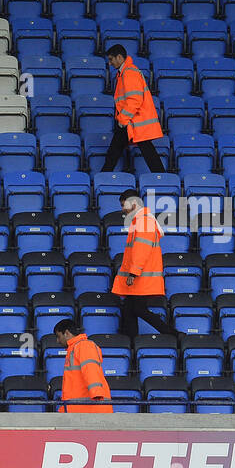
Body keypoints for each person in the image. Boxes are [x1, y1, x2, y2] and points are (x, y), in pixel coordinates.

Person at [112, 190, 180, 338]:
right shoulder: (142, 220)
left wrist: (133, 272)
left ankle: (173, 334)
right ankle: (131, 343)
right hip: (141, 275)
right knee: (130, 310)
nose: (122, 209)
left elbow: (141, 249)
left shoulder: (143, 222)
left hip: (140, 276)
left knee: (137, 309)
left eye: (124, 205)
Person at [101, 44, 168, 174]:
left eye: (111, 59)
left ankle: (104, 176)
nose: (110, 63)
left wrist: (123, 119)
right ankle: (162, 177)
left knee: (117, 151)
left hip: (133, 121)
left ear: (119, 57)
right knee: (119, 151)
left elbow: (134, 100)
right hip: (133, 121)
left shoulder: (129, 73)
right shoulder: (126, 72)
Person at [54, 318, 112, 414]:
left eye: (58, 336)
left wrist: (96, 393)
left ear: (67, 333)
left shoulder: (83, 345)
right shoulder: (76, 348)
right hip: (82, 408)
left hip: (90, 408)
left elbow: (90, 368)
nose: (57, 341)